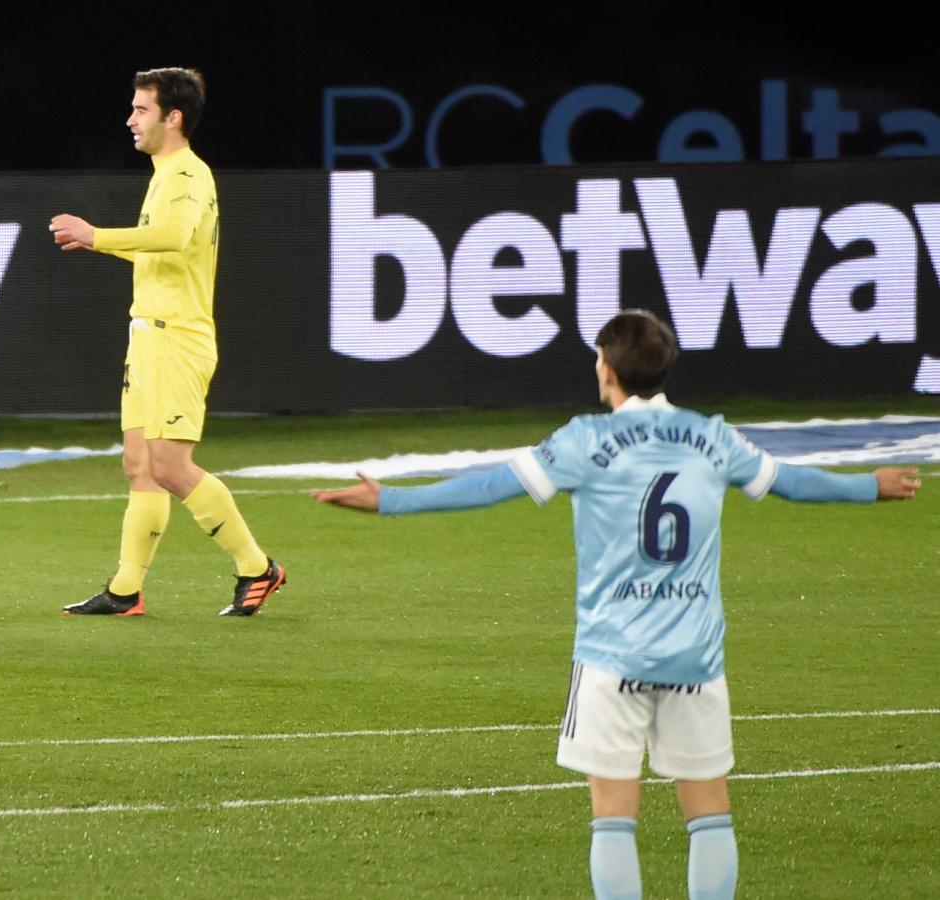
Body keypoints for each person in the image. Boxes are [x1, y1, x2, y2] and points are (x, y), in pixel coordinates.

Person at [313, 310, 920, 900]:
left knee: (613, 815)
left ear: (606, 369)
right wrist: (872, 486)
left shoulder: (584, 441)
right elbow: (791, 480)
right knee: (709, 812)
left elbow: (491, 485)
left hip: (612, 656)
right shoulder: (713, 437)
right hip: (695, 658)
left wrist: (391, 500)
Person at [50, 67, 285, 617]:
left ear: (172, 117)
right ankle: (126, 590)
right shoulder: (163, 174)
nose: (130, 119)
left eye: (140, 110)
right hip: (147, 337)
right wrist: (98, 246)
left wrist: (97, 234)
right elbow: (159, 249)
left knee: (172, 465)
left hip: (179, 337)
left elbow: (176, 238)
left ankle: (257, 567)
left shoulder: (187, 174)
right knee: (140, 464)